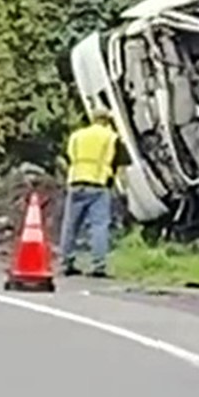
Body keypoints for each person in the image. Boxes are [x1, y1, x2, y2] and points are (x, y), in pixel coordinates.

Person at [59, 109, 125, 278]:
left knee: (70, 225)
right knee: (99, 226)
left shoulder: (77, 136)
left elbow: (69, 157)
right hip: (98, 184)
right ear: (107, 120)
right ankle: (98, 266)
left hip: (75, 182)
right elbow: (120, 161)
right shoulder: (111, 137)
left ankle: (66, 263)